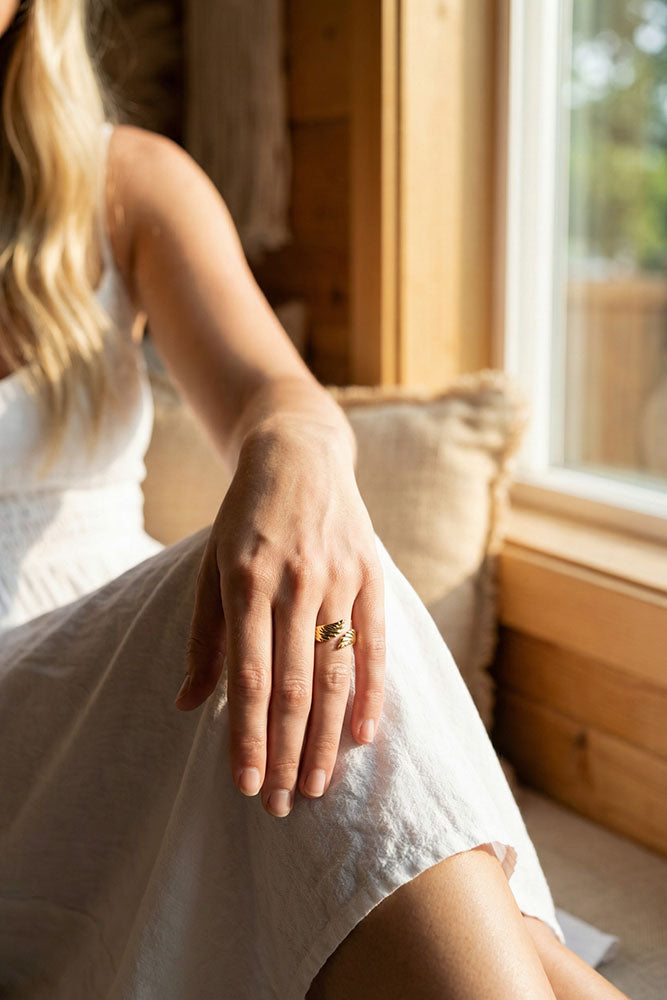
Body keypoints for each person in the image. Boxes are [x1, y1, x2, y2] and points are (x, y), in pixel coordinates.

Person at [0, 1, 632, 998]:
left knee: (286, 621)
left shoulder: (126, 180)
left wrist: (298, 459)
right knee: (235, 654)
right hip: (32, 733)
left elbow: (272, 389)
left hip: (145, 668)